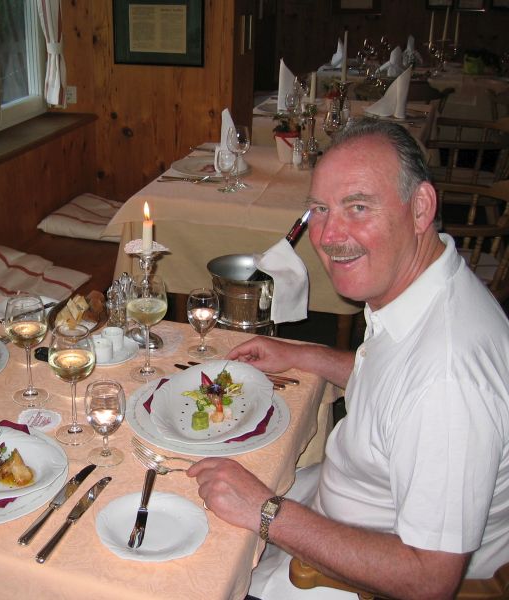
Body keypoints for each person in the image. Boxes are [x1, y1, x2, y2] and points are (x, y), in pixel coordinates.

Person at [188, 119, 509, 599]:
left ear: (421, 208)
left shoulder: (448, 377)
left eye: (358, 207)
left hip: (349, 580)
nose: (330, 235)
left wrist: (266, 511)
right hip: (338, 505)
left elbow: (429, 579)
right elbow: (392, 389)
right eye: (320, 209)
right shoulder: (423, 294)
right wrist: (305, 354)